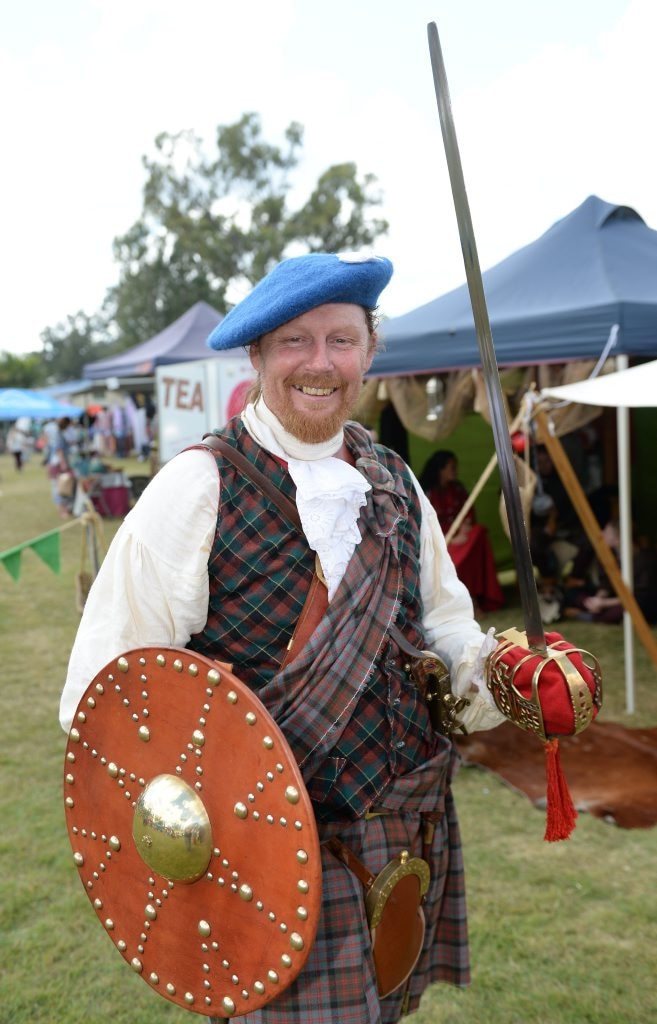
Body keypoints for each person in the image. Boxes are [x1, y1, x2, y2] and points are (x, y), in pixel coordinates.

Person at [59, 253, 593, 1024]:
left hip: (403, 829)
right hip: (261, 856)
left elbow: (441, 627)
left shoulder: (395, 483)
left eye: (341, 341)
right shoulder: (197, 487)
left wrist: (507, 673)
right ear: (258, 356)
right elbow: (105, 701)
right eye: (295, 343)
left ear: (370, 353)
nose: (320, 363)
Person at [419, 450, 504, 613]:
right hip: (442, 542)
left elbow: (468, 511)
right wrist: (450, 538)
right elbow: (426, 525)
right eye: (452, 467)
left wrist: (465, 526)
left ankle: (478, 597)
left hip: (462, 538)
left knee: (479, 534)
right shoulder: (427, 493)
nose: (455, 471)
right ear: (441, 469)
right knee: (458, 557)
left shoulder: (457, 488)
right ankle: (465, 601)